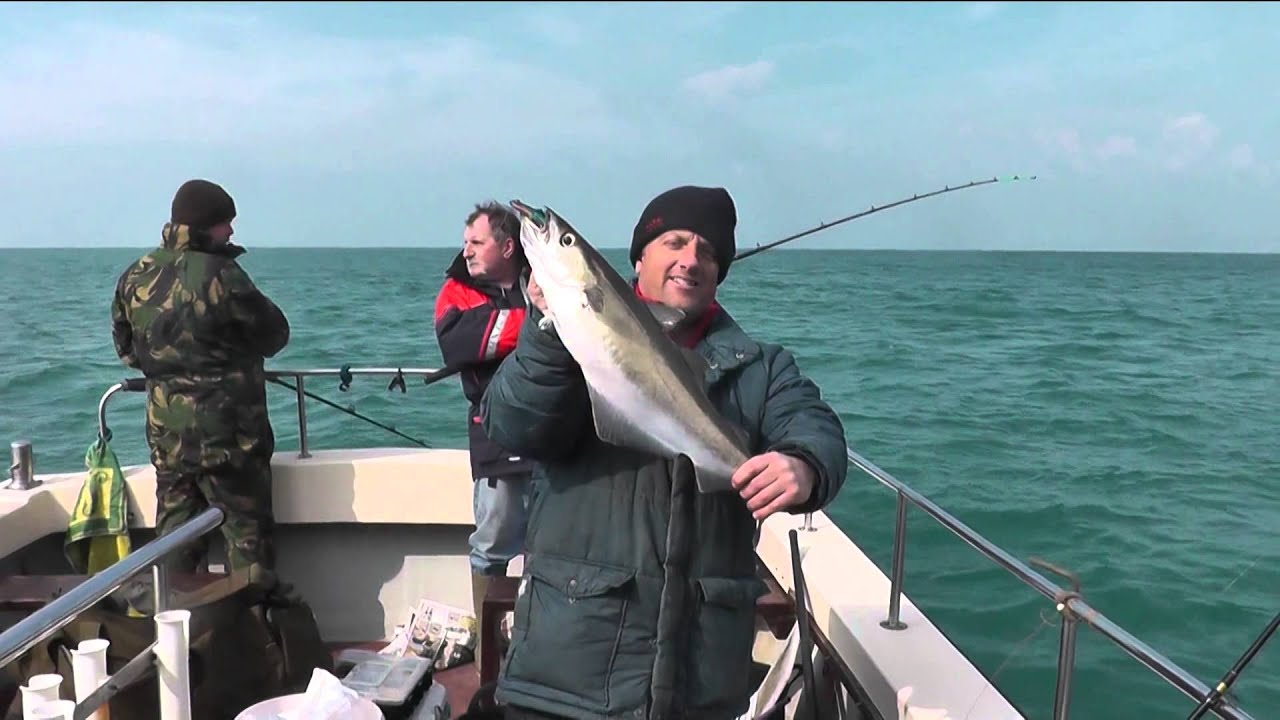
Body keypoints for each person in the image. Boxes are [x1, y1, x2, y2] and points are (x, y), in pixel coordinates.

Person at [479, 185, 849, 719]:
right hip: (567, 678)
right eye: (674, 241)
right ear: (639, 256)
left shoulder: (760, 367)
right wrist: (553, 330)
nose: (690, 259)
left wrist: (805, 465)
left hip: (697, 689)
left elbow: (817, 428)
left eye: (708, 251)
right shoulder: (564, 337)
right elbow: (513, 425)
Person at [111, 178, 291, 577]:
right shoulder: (223, 274)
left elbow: (127, 350)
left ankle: (175, 632)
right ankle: (253, 633)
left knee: (175, 544)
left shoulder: (135, 275)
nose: (231, 231)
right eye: (226, 223)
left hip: (169, 441)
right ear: (206, 226)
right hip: (232, 441)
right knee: (249, 549)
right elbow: (275, 334)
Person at [433, 201, 537, 663]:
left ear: (508, 246)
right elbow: (458, 342)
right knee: (492, 543)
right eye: (466, 242)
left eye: (477, 242)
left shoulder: (544, 279)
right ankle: (488, 655)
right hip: (496, 438)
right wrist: (538, 320)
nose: (467, 251)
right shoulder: (455, 291)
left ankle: (538, 644)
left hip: (556, 440)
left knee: (550, 546)